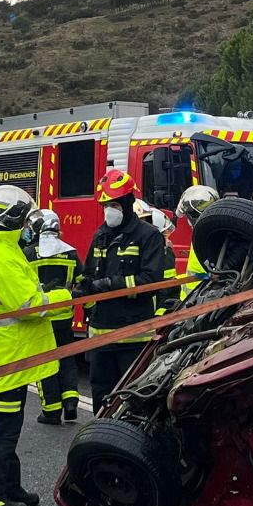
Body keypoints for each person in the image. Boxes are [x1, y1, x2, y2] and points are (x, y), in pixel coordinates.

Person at [0, 185, 73, 506]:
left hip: (2, 352)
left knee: (9, 423)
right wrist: (63, 296)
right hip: (11, 354)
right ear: (13, 219)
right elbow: (29, 307)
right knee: (5, 428)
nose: (27, 227)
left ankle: (9, 486)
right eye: (24, 221)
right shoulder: (2, 257)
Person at [75, 170, 165, 403]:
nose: (109, 210)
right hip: (100, 334)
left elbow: (151, 282)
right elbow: (89, 272)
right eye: (105, 205)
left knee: (133, 399)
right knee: (101, 395)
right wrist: (83, 286)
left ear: (127, 203)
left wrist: (110, 284)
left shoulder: (149, 236)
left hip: (133, 336)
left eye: (114, 205)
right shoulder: (100, 235)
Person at [22, 207, 81, 423]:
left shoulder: (28, 254)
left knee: (45, 363)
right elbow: (82, 284)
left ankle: (51, 410)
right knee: (67, 359)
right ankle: (71, 401)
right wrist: (89, 311)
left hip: (41, 318)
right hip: (64, 317)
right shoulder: (70, 252)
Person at [134, 198, 178, 316]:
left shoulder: (162, 252)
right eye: (164, 236)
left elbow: (168, 290)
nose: (168, 241)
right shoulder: (162, 253)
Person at [175, 185, 219, 299]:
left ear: (193, 215)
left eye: (187, 216)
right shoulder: (206, 234)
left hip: (201, 297)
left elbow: (213, 275)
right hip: (195, 297)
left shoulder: (206, 237)